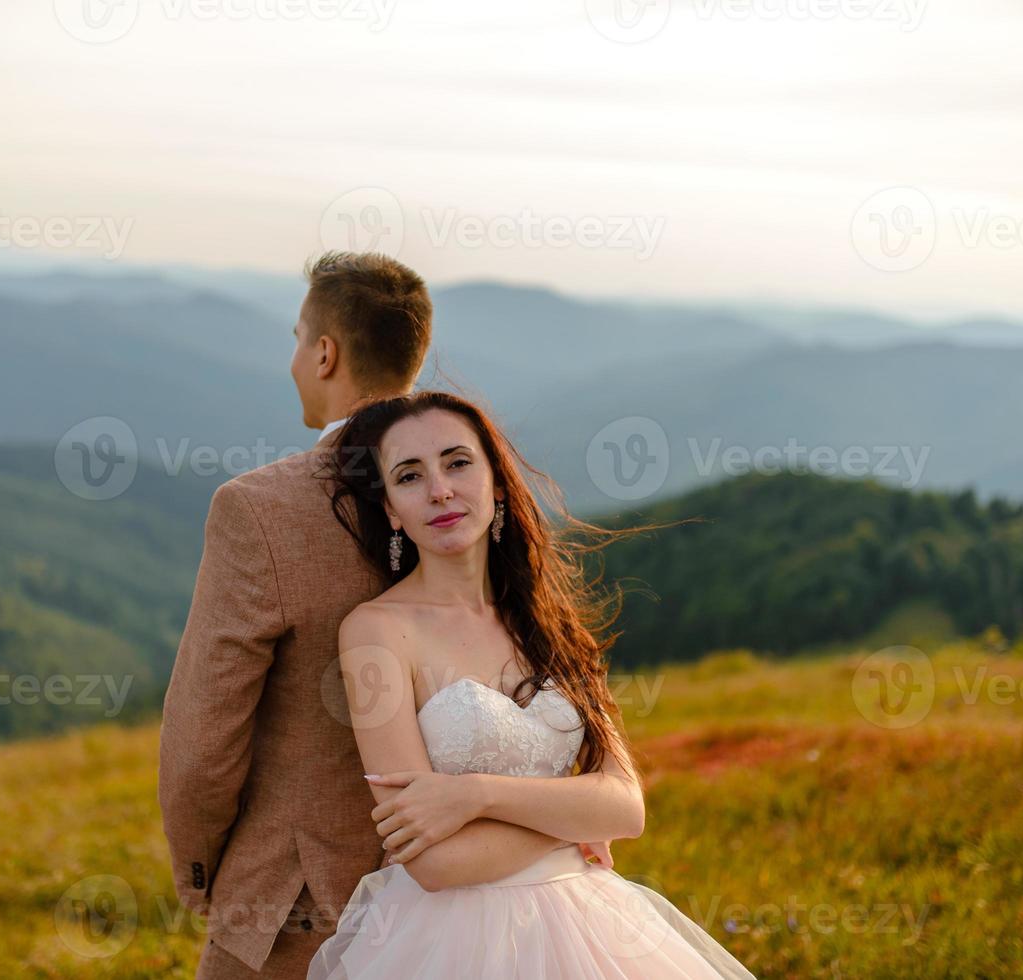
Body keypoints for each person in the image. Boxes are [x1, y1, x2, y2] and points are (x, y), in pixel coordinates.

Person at [306, 390, 756, 978]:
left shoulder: (547, 618)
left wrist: (476, 796)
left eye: (458, 462)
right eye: (410, 476)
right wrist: (573, 827)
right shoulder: (375, 633)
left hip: (589, 922)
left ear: (496, 482)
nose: (440, 489)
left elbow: (625, 805)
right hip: (448, 942)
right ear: (391, 509)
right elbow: (436, 862)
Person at [158, 251, 434, 979]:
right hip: (459, 891)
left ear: (324, 353)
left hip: (299, 900)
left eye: (294, 340)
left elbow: (204, 733)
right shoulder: (477, 496)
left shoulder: (258, 510)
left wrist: (204, 869)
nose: (292, 361)